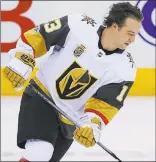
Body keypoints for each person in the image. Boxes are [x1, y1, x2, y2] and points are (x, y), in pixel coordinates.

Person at [4, 2, 143, 162]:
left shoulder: (126, 68)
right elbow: (38, 37)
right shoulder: (78, 25)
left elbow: (105, 105)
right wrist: (22, 60)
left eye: (135, 35)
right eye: (129, 33)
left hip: (70, 120)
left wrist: (92, 126)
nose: (132, 40)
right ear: (114, 26)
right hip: (41, 97)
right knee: (39, 153)